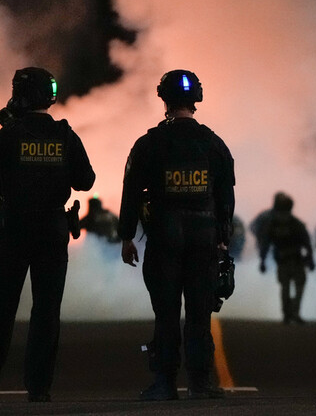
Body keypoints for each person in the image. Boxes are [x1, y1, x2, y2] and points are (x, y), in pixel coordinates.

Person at [0, 67, 95, 403]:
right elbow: (86, 180)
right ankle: (39, 388)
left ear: (19, 93)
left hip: (14, 230)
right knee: (47, 312)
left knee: (0, 310)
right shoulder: (65, 135)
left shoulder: (8, 136)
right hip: (52, 230)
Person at [118, 70, 235, 401]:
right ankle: (201, 383)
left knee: (166, 312)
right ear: (196, 99)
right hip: (204, 237)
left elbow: (130, 192)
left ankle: (165, 383)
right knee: (200, 312)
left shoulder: (149, 144)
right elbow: (226, 195)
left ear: (164, 100)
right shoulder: (213, 144)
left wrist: (127, 236)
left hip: (164, 237)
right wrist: (223, 236)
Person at [258, 192, 315, 325]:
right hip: (295, 260)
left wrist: (262, 261)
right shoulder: (296, 223)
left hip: (285, 261)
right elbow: (307, 243)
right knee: (298, 286)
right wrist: (310, 259)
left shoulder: (273, 225)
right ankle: (293, 312)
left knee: (285, 287)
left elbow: (265, 244)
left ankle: (287, 314)